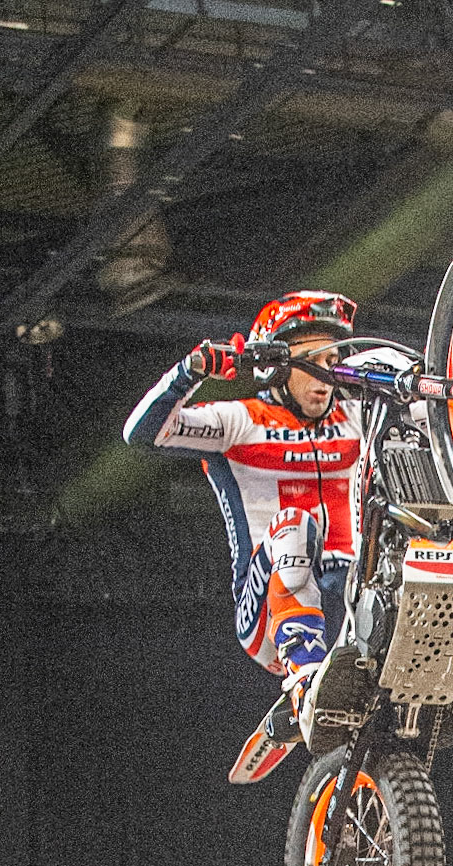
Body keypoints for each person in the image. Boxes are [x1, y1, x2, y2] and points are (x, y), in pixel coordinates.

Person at [122, 291, 405, 763]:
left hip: (351, 596)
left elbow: (440, 412)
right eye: (311, 360)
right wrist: (192, 372)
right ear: (276, 365)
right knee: (295, 523)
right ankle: (302, 684)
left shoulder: (357, 416)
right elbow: (142, 432)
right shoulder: (240, 421)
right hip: (267, 617)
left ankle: (442, 679)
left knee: (430, 519)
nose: (326, 375)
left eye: (334, 358)